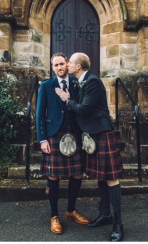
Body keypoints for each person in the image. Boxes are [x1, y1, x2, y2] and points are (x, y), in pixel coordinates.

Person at [55, 52, 124, 241]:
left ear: (78, 67)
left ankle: (118, 224)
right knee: (101, 178)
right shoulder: (79, 82)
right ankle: (105, 214)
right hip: (91, 134)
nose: (67, 64)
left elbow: (84, 108)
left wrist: (66, 99)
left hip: (101, 133)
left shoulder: (92, 81)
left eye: (69, 62)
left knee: (111, 179)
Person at [35, 53, 90, 235]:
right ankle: (54, 215)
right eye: (55, 65)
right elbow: (39, 114)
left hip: (74, 135)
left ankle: (71, 210)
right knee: (53, 177)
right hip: (54, 136)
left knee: (77, 174)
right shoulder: (46, 86)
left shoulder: (76, 84)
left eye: (61, 64)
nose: (59, 67)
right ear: (52, 67)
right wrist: (42, 139)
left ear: (67, 64)